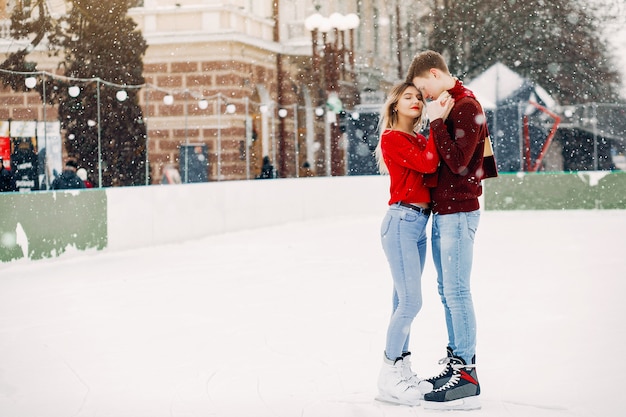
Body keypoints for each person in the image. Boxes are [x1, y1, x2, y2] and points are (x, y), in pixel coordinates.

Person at [406, 50, 490, 410]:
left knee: (456, 292)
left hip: (458, 211)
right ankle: (458, 364)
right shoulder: (451, 104)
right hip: (447, 210)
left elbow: (457, 164)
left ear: (435, 73)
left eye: (423, 90)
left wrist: (437, 122)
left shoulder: (465, 106)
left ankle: (467, 375)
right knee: (447, 292)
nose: (424, 99)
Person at [373, 82, 440, 406]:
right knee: (411, 303)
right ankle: (388, 372)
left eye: (418, 97)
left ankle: (401, 367)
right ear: (395, 105)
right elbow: (429, 164)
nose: (415, 101)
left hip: (418, 225)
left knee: (402, 302)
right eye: (407, 97)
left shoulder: (418, 138)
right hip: (401, 222)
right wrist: (439, 126)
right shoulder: (393, 138)